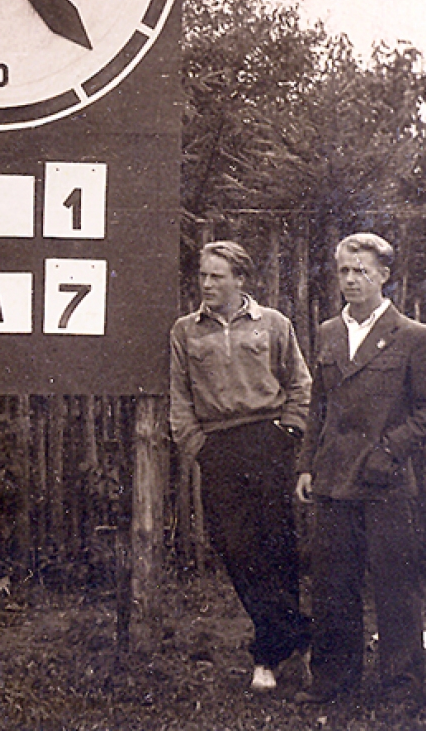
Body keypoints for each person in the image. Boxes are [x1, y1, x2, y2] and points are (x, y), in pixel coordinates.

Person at [295, 232, 426, 707]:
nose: (351, 280)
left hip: (386, 482)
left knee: (395, 588)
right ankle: (334, 679)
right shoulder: (329, 331)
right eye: (344, 271)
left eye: (362, 271)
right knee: (333, 585)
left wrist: (389, 450)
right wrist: (308, 465)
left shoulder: (414, 337)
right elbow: (319, 405)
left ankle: (402, 687)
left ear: (384, 277)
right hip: (335, 479)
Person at [170, 240, 312, 693]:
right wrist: (198, 446)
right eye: (203, 276)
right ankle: (297, 635)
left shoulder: (273, 324)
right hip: (219, 449)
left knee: (277, 549)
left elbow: (299, 383)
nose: (207, 284)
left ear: (240, 279)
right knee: (235, 548)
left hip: (268, 442)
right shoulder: (185, 331)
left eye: (217, 276)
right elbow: (179, 398)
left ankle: (268, 655)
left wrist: (289, 432)